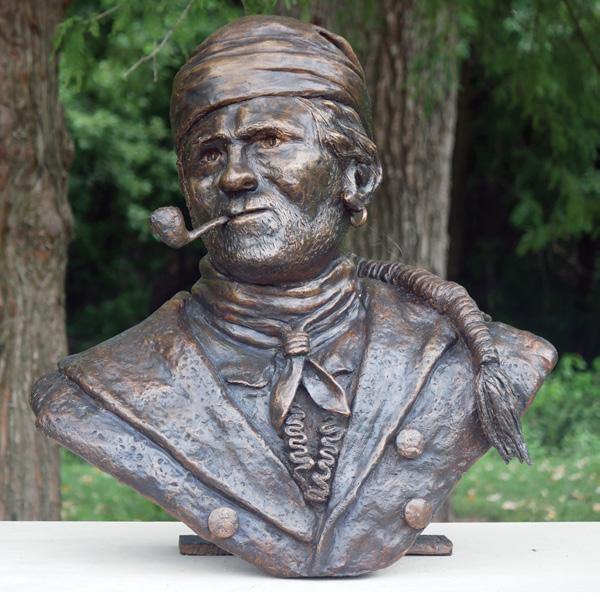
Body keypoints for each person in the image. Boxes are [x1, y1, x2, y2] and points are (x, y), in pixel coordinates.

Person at [31, 15, 557, 577]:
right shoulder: (100, 388)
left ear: (356, 177)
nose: (234, 177)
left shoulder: (470, 356)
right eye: (209, 154)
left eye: (270, 141)